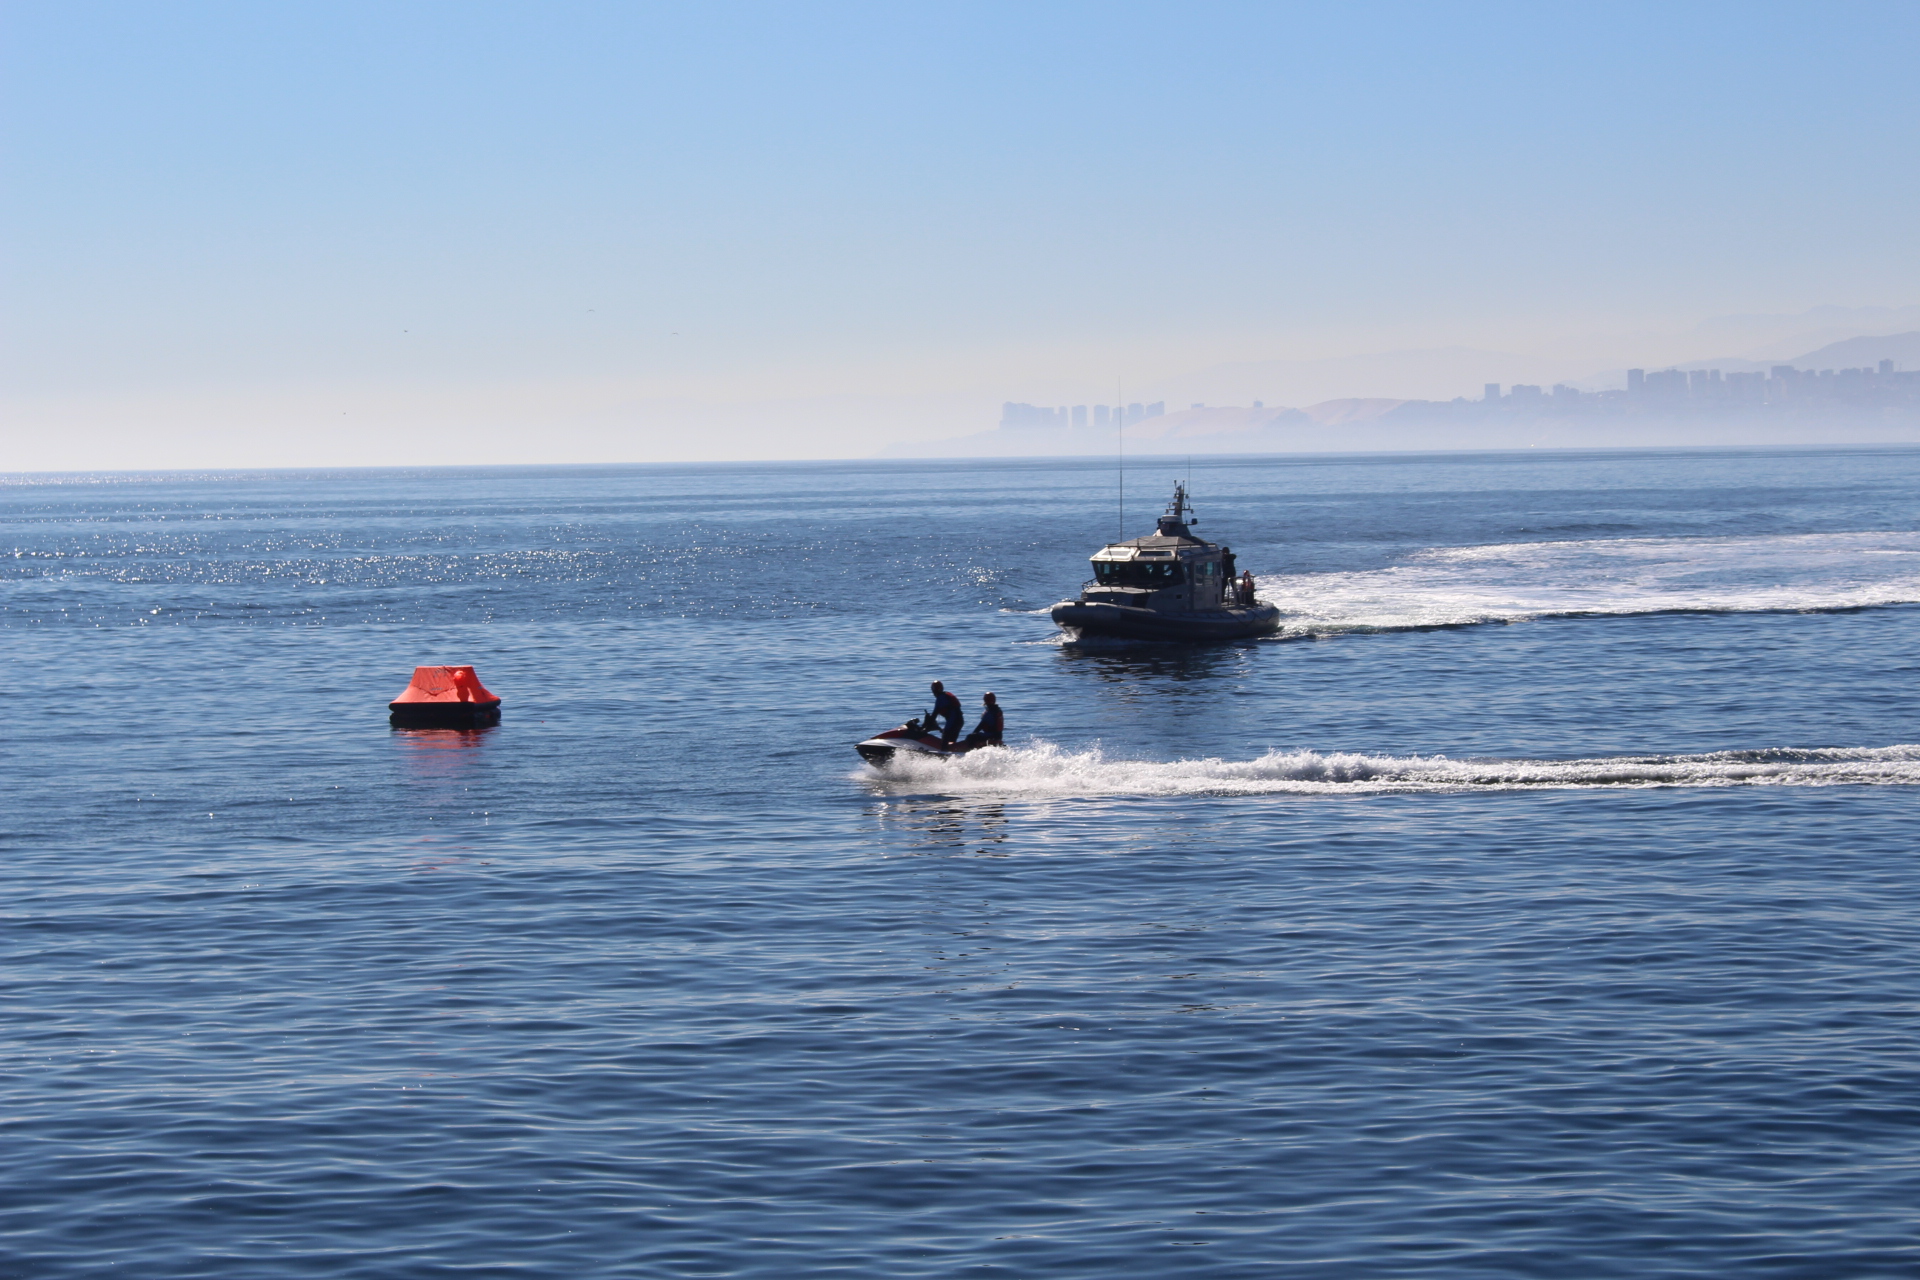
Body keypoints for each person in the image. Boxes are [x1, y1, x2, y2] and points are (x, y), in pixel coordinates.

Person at [929, 680, 964, 746]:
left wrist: (926, 725)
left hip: (953, 721)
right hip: (960, 721)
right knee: (952, 741)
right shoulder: (947, 695)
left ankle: (944, 752)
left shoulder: (940, 699)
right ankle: (953, 752)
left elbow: (934, 715)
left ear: (934, 690)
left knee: (945, 740)